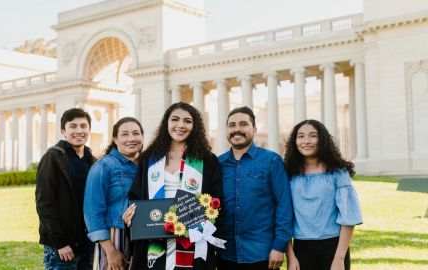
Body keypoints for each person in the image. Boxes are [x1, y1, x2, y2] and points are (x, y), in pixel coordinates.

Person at [124, 102, 222, 270]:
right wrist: (131, 215)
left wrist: (192, 222)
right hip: (153, 242)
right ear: (166, 124)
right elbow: (136, 197)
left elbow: (215, 201)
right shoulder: (150, 159)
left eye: (187, 121)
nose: (180, 125)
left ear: (195, 126)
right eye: (175, 119)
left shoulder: (207, 160)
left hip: (192, 241)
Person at [216, 106, 293, 270]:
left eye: (243, 124)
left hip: (262, 254)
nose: (237, 129)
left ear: (255, 129)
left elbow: (284, 205)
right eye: (232, 125)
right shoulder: (217, 164)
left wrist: (279, 246)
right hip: (225, 254)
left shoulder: (271, 161)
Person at [284, 119, 362, 270]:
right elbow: (282, 217)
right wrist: (290, 256)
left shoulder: (338, 172)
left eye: (313, 135)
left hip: (333, 247)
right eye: (300, 136)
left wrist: (339, 259)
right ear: (294, 141)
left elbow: (348, 217)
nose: (306, 141)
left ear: (322, 139)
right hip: (300, 248)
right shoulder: (288, 173)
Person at [35, 108, 96, 269]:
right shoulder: (53, 157)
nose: (79, 131)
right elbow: (44, 203)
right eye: (73, 126)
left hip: (87, 244)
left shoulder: (92, 161)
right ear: (63, 131)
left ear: (89, 130)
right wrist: (60, 243)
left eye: (83, 126)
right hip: (61, 247)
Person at [84, 117, 144, 270]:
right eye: (125, 134)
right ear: (115, 139)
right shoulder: (103, 166)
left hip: (143, 235)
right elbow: (92, 212)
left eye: (136, 133)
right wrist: (110, 251)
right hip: (114, 236)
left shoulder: (148, 166)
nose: (131, 139)